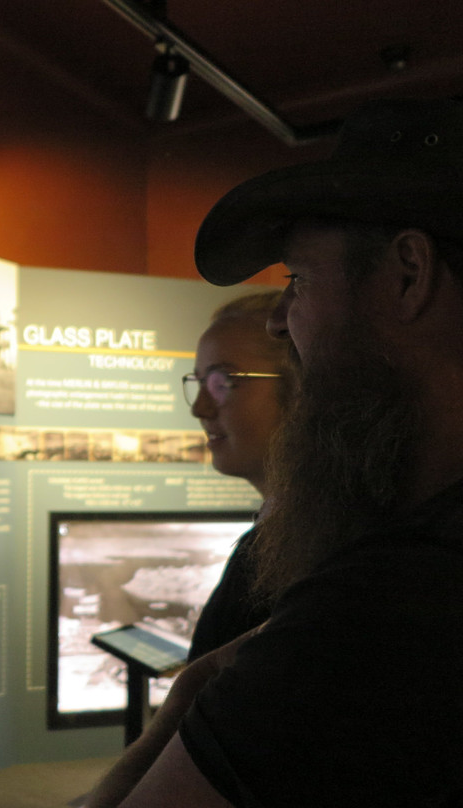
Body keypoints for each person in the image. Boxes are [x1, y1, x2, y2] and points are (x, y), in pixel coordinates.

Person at [89, 97, 463, 807]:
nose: (279, 322)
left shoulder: (387, 610)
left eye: (298, 280)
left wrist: (183, 709)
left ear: (408, 273)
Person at [182, 291, 294, 662]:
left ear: (300, 387)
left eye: (222, 382)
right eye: (199, 383)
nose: (200, 408)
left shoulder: (313, 553)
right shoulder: (275, 543)